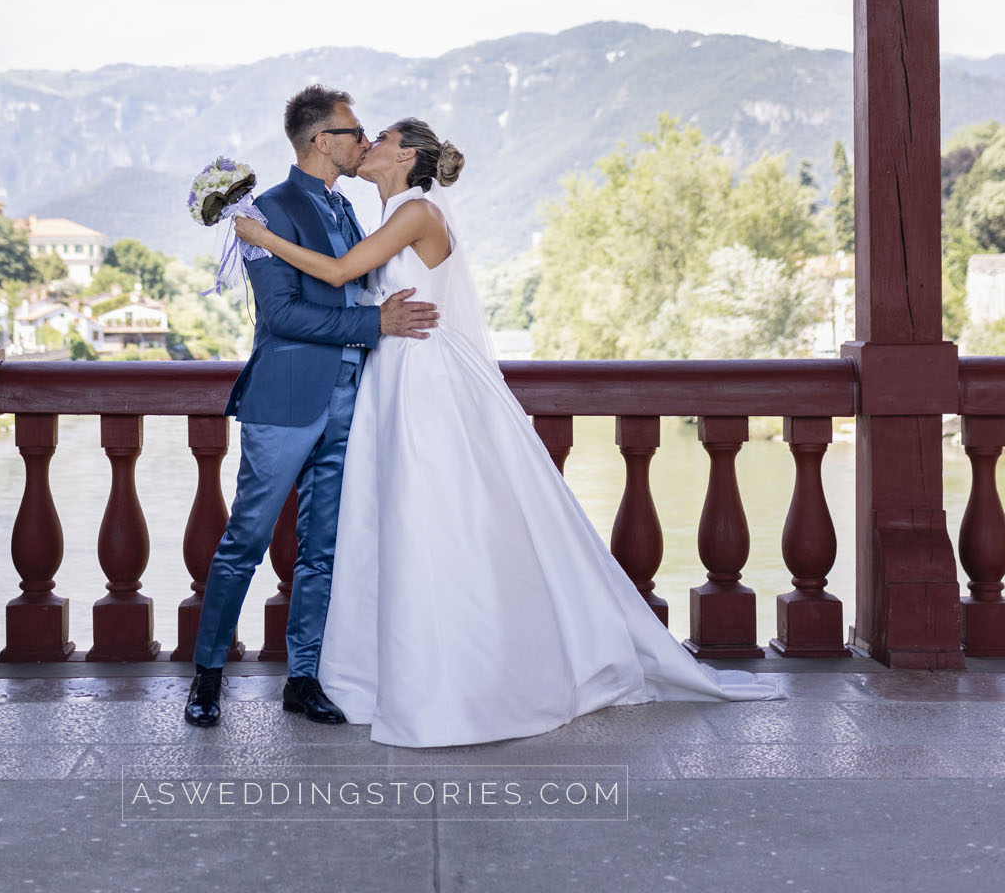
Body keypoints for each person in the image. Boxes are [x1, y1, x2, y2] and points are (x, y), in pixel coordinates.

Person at [232, 117, 783, 747]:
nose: (368, 145)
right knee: (395, 520)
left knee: (433, 517)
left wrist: (259, 235)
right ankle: (393, 672)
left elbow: (334, 274)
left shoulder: (417, 212)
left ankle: (460, 678)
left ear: (406, 154)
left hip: (427, 383)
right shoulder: (393, 216)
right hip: (396, 376)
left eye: (379, 138)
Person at [183, 84, 441, 729]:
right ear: (321, 140)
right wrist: (372, 323)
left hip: (353, 400)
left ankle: (304, 678)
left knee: (323, 546)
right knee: (244, 540)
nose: (364, 141)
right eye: (356, 133)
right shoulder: (265, 215)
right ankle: (206, 678)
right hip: (285, 400)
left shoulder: (349, 211)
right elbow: (285, 314)